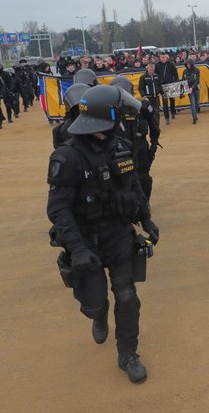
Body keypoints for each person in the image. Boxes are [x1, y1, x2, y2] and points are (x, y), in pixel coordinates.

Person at [46, 85, 159, 384]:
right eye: (120, 113)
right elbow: (58, 210)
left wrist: (146, 219)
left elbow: (133, 187)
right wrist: (78, 249)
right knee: (94, 303)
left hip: (120, 236)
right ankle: (98, 314)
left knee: (127, 298)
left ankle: (128, 355)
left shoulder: (120, 146)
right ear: (106, 117)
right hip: (86, 242)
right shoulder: (67, 157)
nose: (124, 118)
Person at [154, 51, 179, 125]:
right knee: (165, 102)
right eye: (162, 57)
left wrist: (176, 82)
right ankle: (167, 118)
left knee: (172, 100)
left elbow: (175, 74)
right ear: (160, 58)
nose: (164, 58)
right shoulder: (157, 65)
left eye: (165, 57)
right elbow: (155, 76)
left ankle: (173, 112)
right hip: (162, 86)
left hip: (171, 85)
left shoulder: (171, 64)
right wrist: (158, 83)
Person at [180, 58, 201, 124]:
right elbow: (183, 80)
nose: (188, 65)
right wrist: (183, 90)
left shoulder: (197, 70)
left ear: (192, 64)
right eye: (187, 64)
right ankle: (194, 117)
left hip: (196, 88)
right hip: (189, 90)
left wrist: (192, 87)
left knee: (197, 103)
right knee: (193, 104)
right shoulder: (184, 71)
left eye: (189, 64)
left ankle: (195, 114)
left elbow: (197, 80)